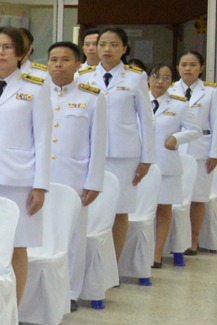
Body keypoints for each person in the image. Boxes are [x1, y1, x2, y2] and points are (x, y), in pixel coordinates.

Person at [0, 26, 51, 306]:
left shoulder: (35, 86)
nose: (0, 52)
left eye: (8, 47)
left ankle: (12, 316)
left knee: (17, 247)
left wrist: (40, 185)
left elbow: (43, 139)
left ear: (20, 53)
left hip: (19, 180)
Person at [42, 43, 106, 304]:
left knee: (73, 237)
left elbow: (99, 142)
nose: (58, 64)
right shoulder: (38, 92)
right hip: (42, 176)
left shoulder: (92, 96)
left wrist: (94, 180)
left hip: (74, 176)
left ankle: (69, 293)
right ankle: (42, 292)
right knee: (42, 235)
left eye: (65, 59)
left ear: (78, 63)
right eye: (53, 59)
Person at [90, 27, 154, 261]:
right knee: (92, 209)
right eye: (102, 44)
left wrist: (147, 158)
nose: (107, 49)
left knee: (119, 209)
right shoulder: (84, 77)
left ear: (124, 48)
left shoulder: (136, 77)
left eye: (114, 44)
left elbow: (147, 120)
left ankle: (112, 265)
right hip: (90, 154)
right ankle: (90, 261)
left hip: (123, 154)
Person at [147, 64, 200, 269]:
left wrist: (177, 138)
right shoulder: (138, 100)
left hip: (166, 164)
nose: (160, 81)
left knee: (163, 208)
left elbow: (196, 130)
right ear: (149, 78)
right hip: (140, 165)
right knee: (140, 210)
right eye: (156, 76)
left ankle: (157, 254)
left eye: (166, 78)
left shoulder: (179, 104)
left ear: (172, 82)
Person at [170, 51, 217, 253]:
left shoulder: (210, 91)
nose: (188, 69)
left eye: (192, 65)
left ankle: (194, 239)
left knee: (198, 197)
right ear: (178, 67)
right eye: (183, 64)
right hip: (174, 147)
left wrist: (215, 153)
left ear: (201, 67)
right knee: (176, 197)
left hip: (202, 148)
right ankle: (174, 240)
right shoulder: (171, 88)